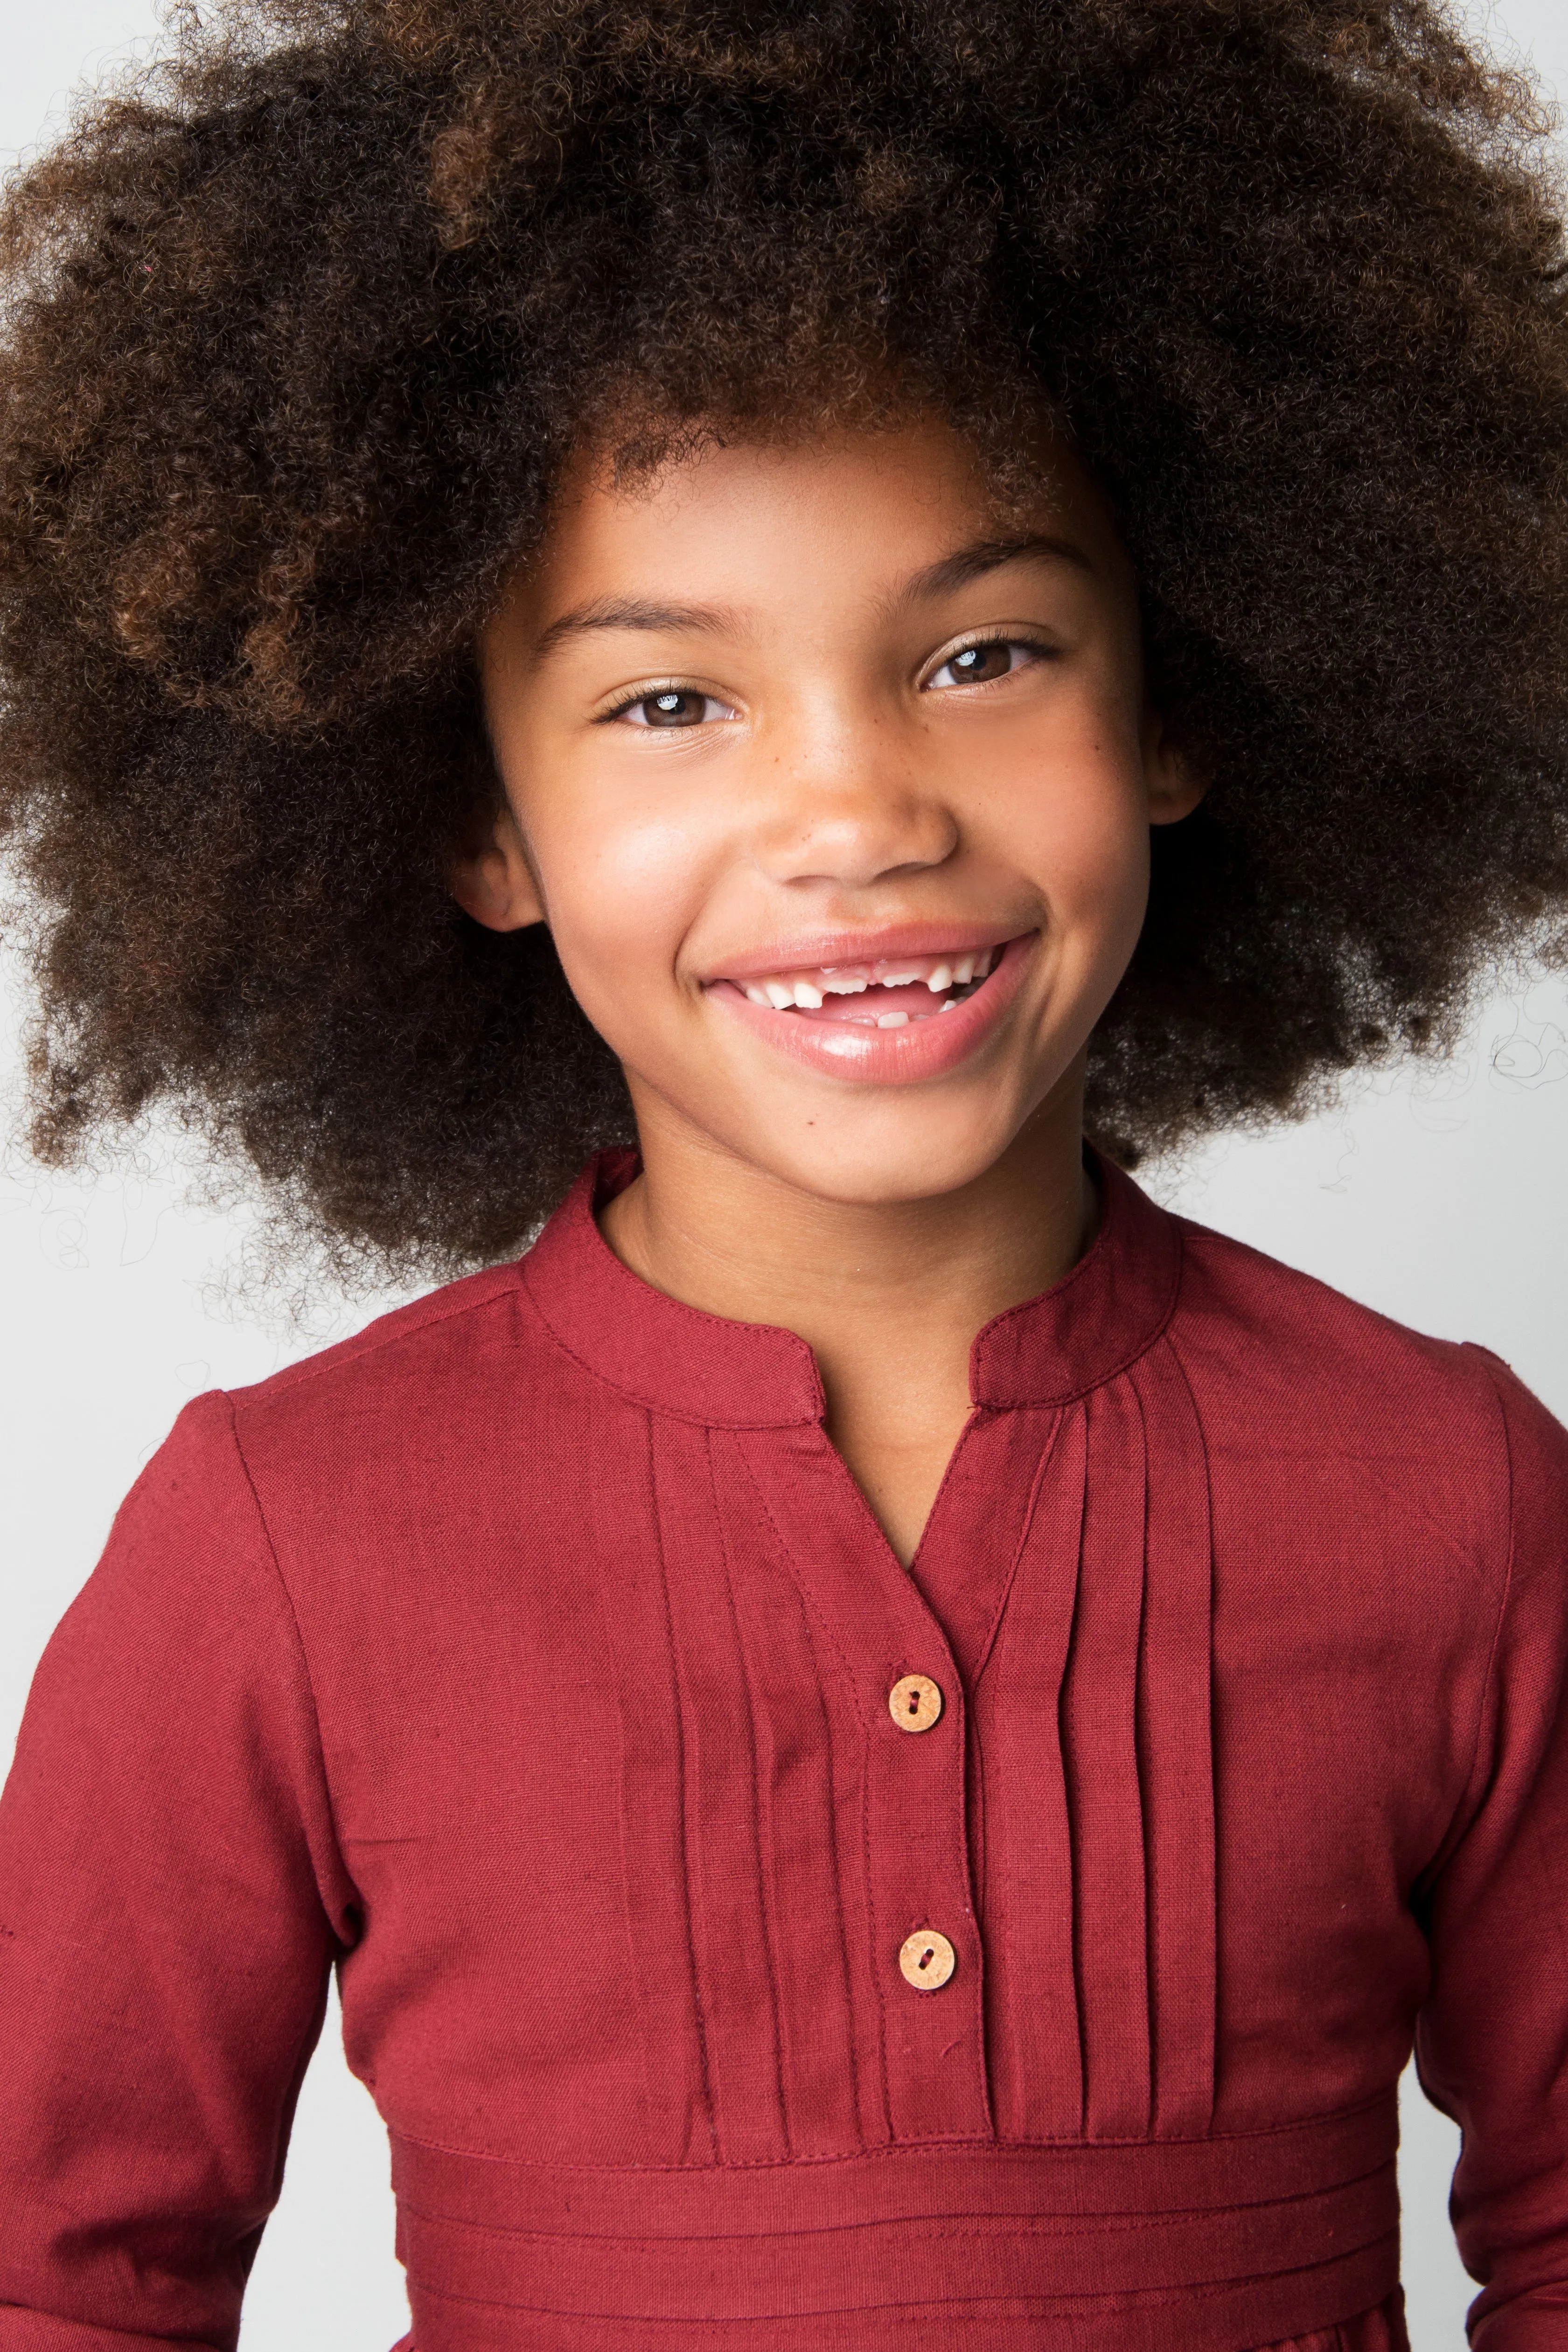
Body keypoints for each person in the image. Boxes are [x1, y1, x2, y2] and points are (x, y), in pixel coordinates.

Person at [1, 1, 1567, 2345]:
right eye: (667, 699)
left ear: (1186, 708)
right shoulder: (283, 1543)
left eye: (987, 651)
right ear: (470, 821)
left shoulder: (1446, 1488)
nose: (856, 817)